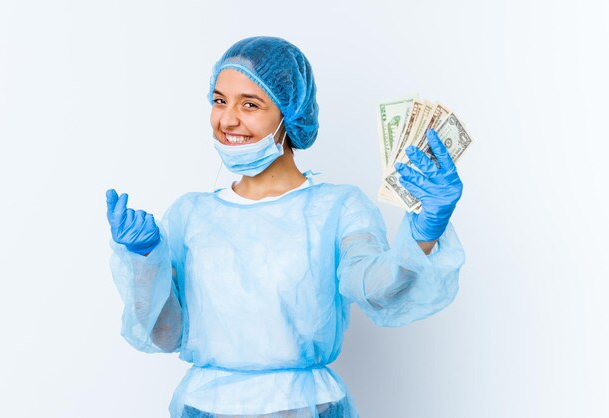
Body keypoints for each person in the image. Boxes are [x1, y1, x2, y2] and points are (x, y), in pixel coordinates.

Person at [106, 36, 465, 418]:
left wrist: (426, 229)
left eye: (250, 104)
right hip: (204, 406)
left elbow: (376, 287)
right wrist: (146, 259)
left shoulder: (337, 208)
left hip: (306, 407)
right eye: (219, 100)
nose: (227, 119)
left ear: (289, 113)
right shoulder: (190, 215)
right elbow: (166, 334)